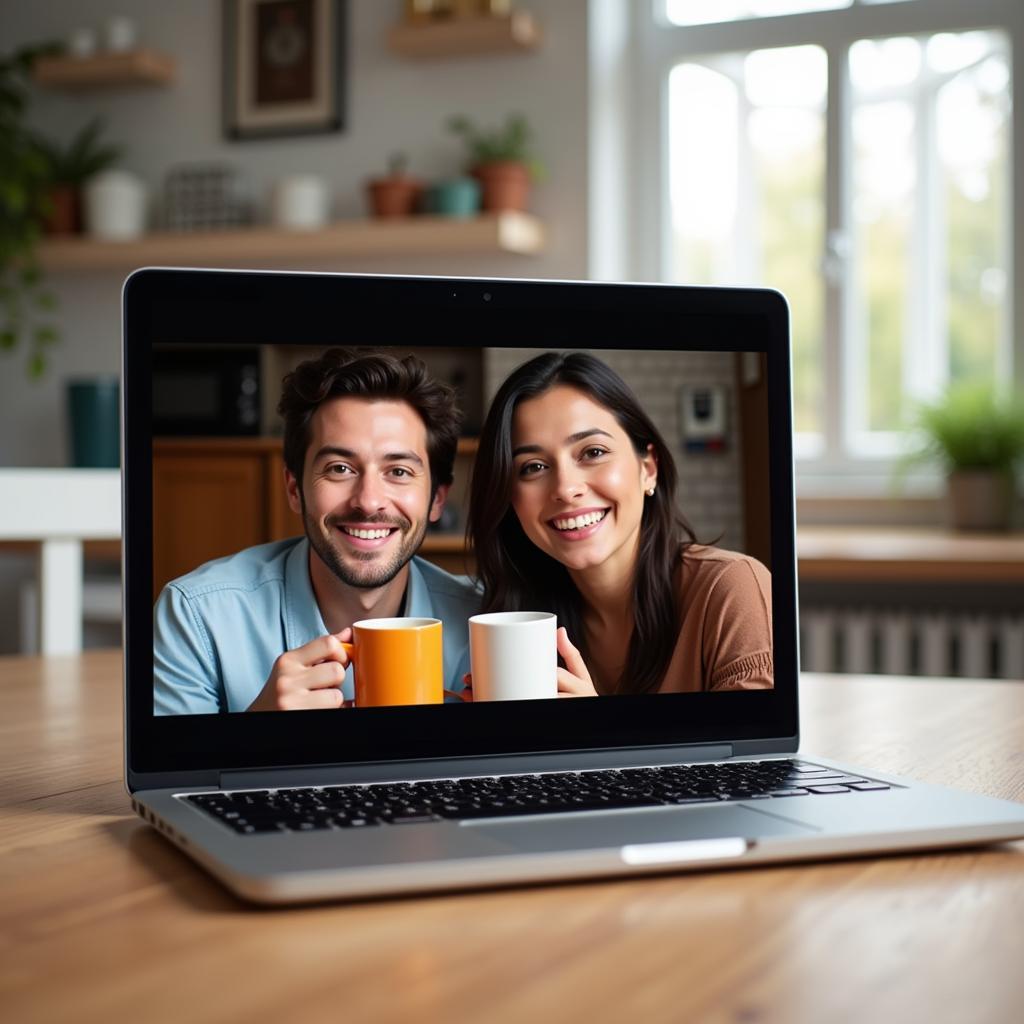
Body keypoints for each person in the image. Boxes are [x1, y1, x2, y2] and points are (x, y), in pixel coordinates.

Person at [154, 348, 480, 714]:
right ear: (295, 490)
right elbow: (177, 771)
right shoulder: (199, 616)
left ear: (437, 499)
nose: (368, 502)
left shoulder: (484, 624)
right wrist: (253, 736)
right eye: (340, 469)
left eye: (399, 472)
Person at [466, 352, 773, 696]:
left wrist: (592, 733)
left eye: (593, 452)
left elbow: (757, 750)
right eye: (533, 467)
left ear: (648, 469)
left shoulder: (731, 590)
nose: (566, 490)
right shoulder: (517, 620)